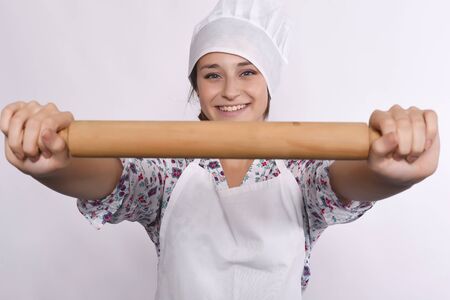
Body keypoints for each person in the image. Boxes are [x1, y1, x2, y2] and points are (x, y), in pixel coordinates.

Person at [0, 0, 440, 299]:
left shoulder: (301, 169)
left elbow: (346, 182)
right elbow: (113, 179)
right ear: (196, 87)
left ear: (269, 85)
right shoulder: (170, 170)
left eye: (247, 72)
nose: (230, 90)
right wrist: (53, 161)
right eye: (212, 74)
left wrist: (391, 169)